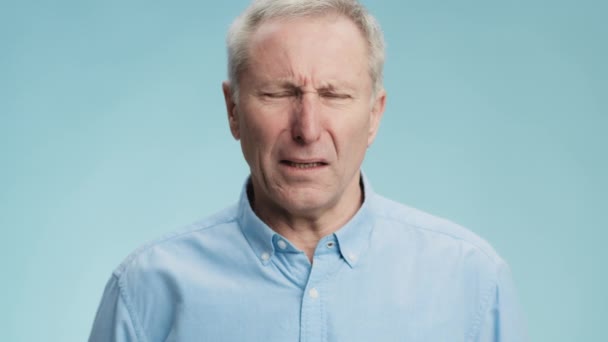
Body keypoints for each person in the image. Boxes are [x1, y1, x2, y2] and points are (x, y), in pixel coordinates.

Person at [89, 0, 527, 341]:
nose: (308, 128)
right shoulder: (144, 289)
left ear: (374, 115)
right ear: (233, 110)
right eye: (279, 93)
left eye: (334, 95)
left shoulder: (472, 280)